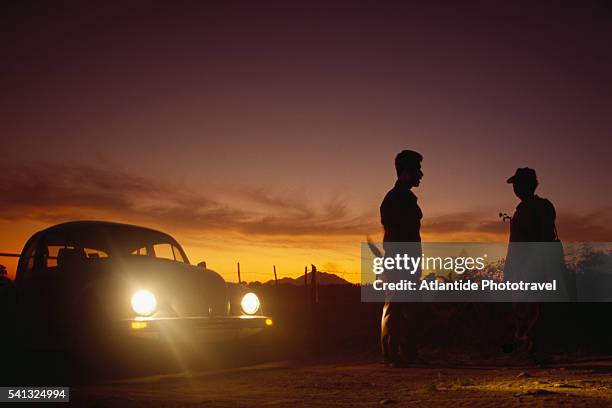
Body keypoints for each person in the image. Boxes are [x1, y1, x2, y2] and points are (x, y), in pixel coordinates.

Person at [503, 167, 566, 362]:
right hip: (523, 267)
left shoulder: (540, 207)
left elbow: (541, 238)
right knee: (524, 309)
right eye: (515, 185)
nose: (516, 188)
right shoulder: (525, 209)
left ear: (530, 185)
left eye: (519, 184)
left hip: (534, 266)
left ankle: (535, 349)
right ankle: (528, 348)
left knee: (533, 309)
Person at [379, 149, 424, 367]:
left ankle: (406, 354)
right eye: (417, 170)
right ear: (405, 172)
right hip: (399, 262)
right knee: (396, 308)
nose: (421, 175)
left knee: (407, 308)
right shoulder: (395, 199)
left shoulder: (404, 198)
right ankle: (392, 356)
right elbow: (395, 235)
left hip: (407, 261)